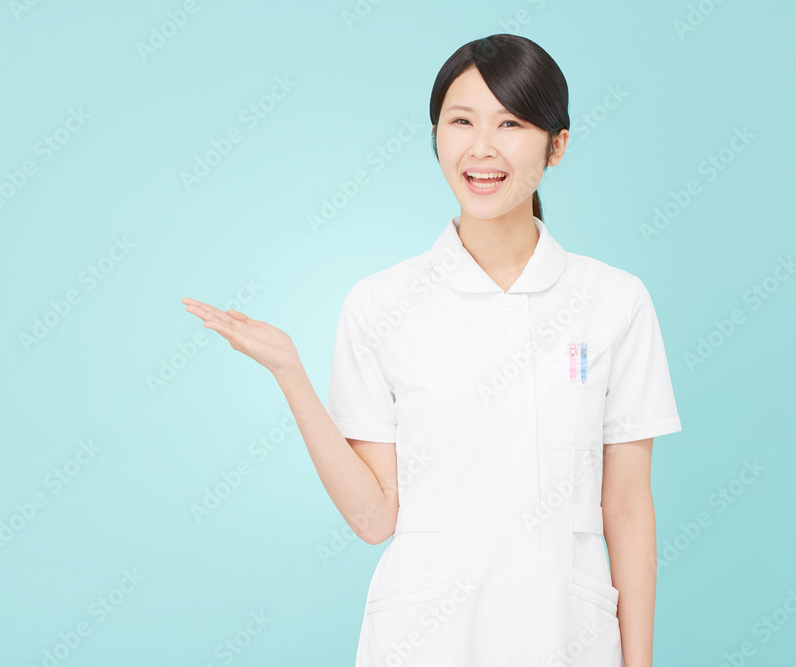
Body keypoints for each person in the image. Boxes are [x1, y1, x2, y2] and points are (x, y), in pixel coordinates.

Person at [182, 33, 681, 667]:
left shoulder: (614, 302)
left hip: (566, 636)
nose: (482, 148)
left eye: (511, 123)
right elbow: (374, 518)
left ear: (556, 145)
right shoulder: (380, 305)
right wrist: (290, 373)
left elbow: (628, 508)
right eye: (461, 121)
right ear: (436, 138)